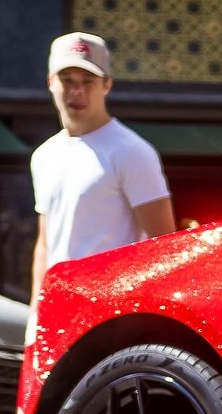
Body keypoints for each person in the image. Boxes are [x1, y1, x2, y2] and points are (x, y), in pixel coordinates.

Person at [32, 32, 173, 303]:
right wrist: (35, 316)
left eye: (88, 81)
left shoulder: (132, 151)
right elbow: (46, 245)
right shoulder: (43, 155)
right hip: (59, 310)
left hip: (114, 312)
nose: (77, 91)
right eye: (67, 80)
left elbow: (164, 247)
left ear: (106, 85)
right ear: (50, 82)